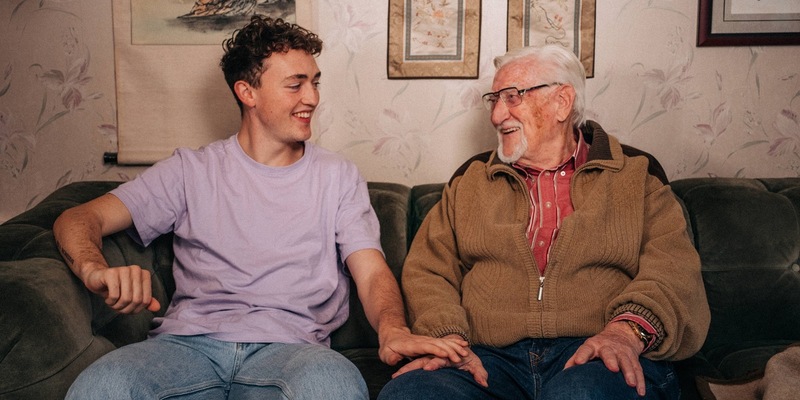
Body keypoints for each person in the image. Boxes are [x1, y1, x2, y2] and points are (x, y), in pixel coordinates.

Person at [53, 16, 467, 400]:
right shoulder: (190, 170)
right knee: (102, 384)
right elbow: (79, 218)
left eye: (315, 82)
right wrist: (94, 269)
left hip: (294, 353)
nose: (313, 97)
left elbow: (372, 269)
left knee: (332, 386)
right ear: (247, 92)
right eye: (296, 84)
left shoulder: (337, 176)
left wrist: (392, 329)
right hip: (186, 347)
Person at [378, 44, 711, 400]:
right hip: (486, 360)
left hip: (594, 352)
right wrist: (449, 341)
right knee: (410, 392)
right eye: (494, 99)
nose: (496, 115)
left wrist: (625, 333)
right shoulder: (470, 182)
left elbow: (673, 267)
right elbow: (429, 270)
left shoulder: (636, 176)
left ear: (562, 102)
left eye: (512, 97)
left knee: (581, 393)